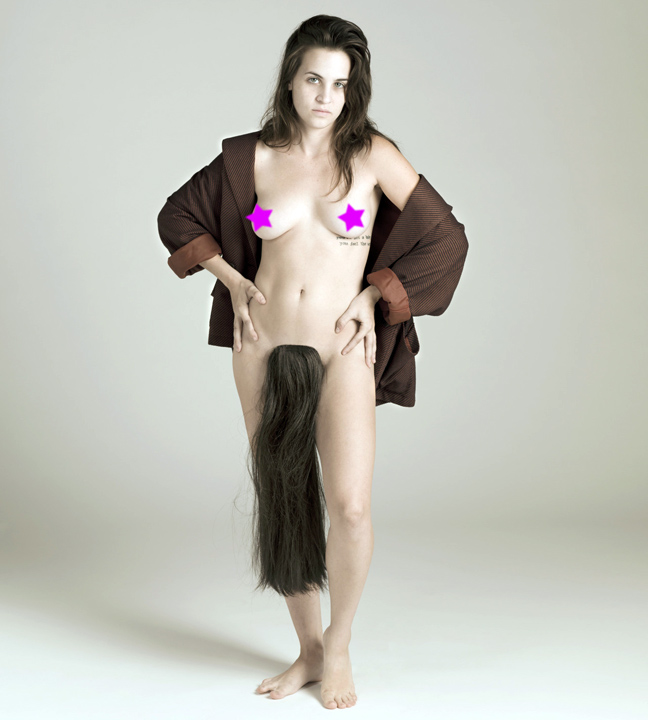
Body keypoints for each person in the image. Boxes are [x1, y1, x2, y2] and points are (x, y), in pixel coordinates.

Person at [157, 14, 469, 711]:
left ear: (354, 89)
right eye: (313, 80)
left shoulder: (373, 156)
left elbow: (447, 239)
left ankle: (341, 643)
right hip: (263, 345)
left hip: (340, 346)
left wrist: (378, 296)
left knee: (350, 507)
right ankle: (308, 651)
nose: (326, 96)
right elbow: (177, 216)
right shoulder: (251, 159)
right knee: (285, 501)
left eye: (339, 83)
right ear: (290, 81)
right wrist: (233, 282)